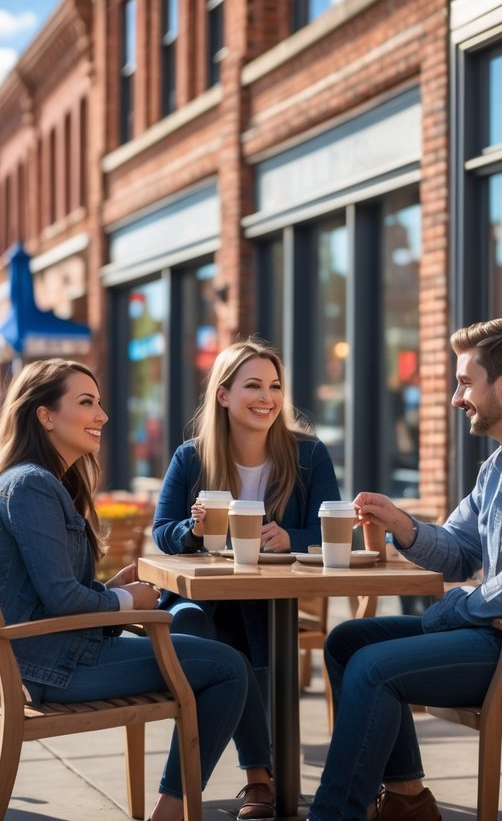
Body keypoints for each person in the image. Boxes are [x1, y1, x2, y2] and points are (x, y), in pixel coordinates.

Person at [308, 319, 502, 821]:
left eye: (464, 382)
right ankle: (409, 801)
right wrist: (403, 526)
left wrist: (449, 610)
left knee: (374, 668)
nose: (457, 399)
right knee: (348, 644)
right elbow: (458, 550)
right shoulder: (501, 463)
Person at [0, 358, 248, 821]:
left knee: (194, 624)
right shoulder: (32, 487)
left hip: (43, 656)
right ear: (45, 415)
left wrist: (107, 589)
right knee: (229, 668)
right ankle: (174, 810)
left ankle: (234, 782)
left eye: (99, 403)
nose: (101, 415)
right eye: (86, 403)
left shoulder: (26, 482)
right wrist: (125, 601)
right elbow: (61, 601)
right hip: (54, 667)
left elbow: (48, 589)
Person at [153, 338, 340, 819]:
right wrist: (192, 529)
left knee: (248, 627)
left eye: (274, 386)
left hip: (267, 596)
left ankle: (258, 776)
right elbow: (162, 533)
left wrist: (290, 539)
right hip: (202, 598)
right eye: (253, 385)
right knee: (194, 627)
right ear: (223, 395)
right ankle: (254, 777)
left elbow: (327, 531)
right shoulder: (190, 458)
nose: (267, 397)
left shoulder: (308, 455)